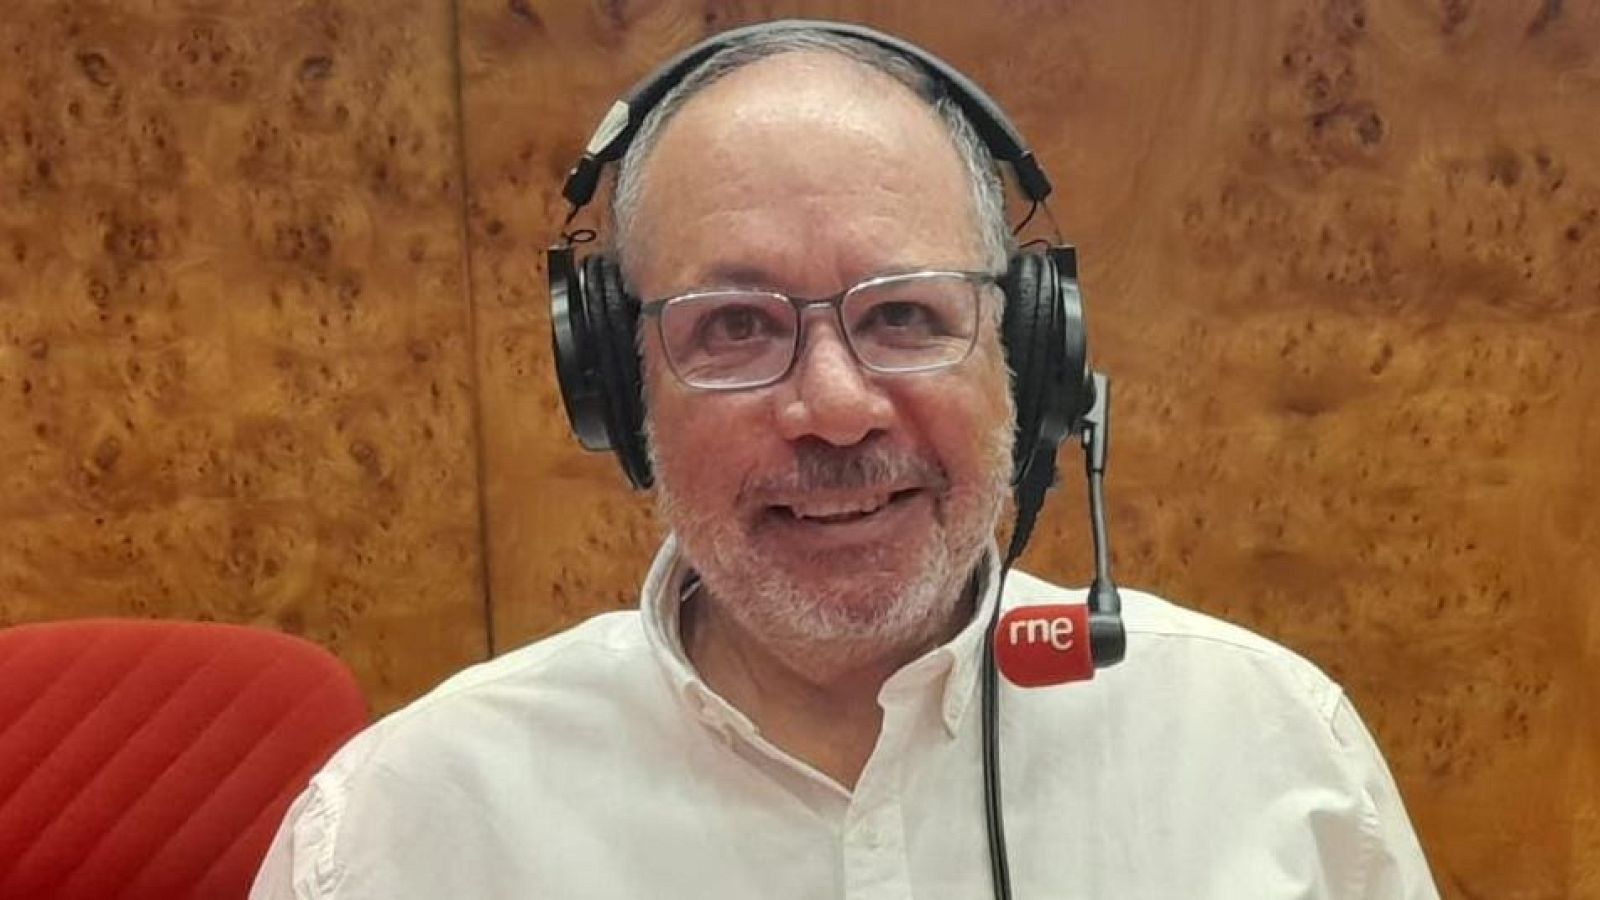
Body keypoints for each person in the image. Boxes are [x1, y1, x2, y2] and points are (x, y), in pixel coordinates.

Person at [251, 22, 1439, 899]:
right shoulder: (400, 829)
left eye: (904, 317)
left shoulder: (1268, 744)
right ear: (618, 386)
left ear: (1030, 351)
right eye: (735, 327)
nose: (832, 408)